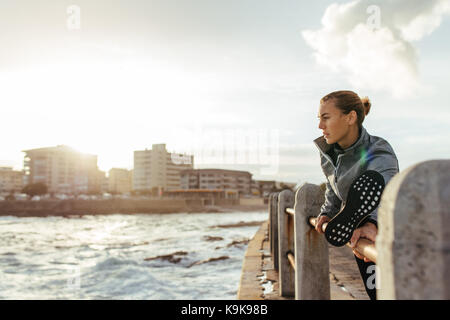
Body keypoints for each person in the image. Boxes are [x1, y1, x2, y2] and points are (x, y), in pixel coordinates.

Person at [313, 90, 399, 300]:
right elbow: (333, 188)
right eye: (319, 119)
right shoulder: (329, 154)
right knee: (375, 294)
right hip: (356, 232)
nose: (320, 126)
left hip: (385, 231)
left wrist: (372, 223)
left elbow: (386, 187)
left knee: (392, 293)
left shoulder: (378, 150)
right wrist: (328, 212)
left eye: (326, 118)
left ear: (350, 117)